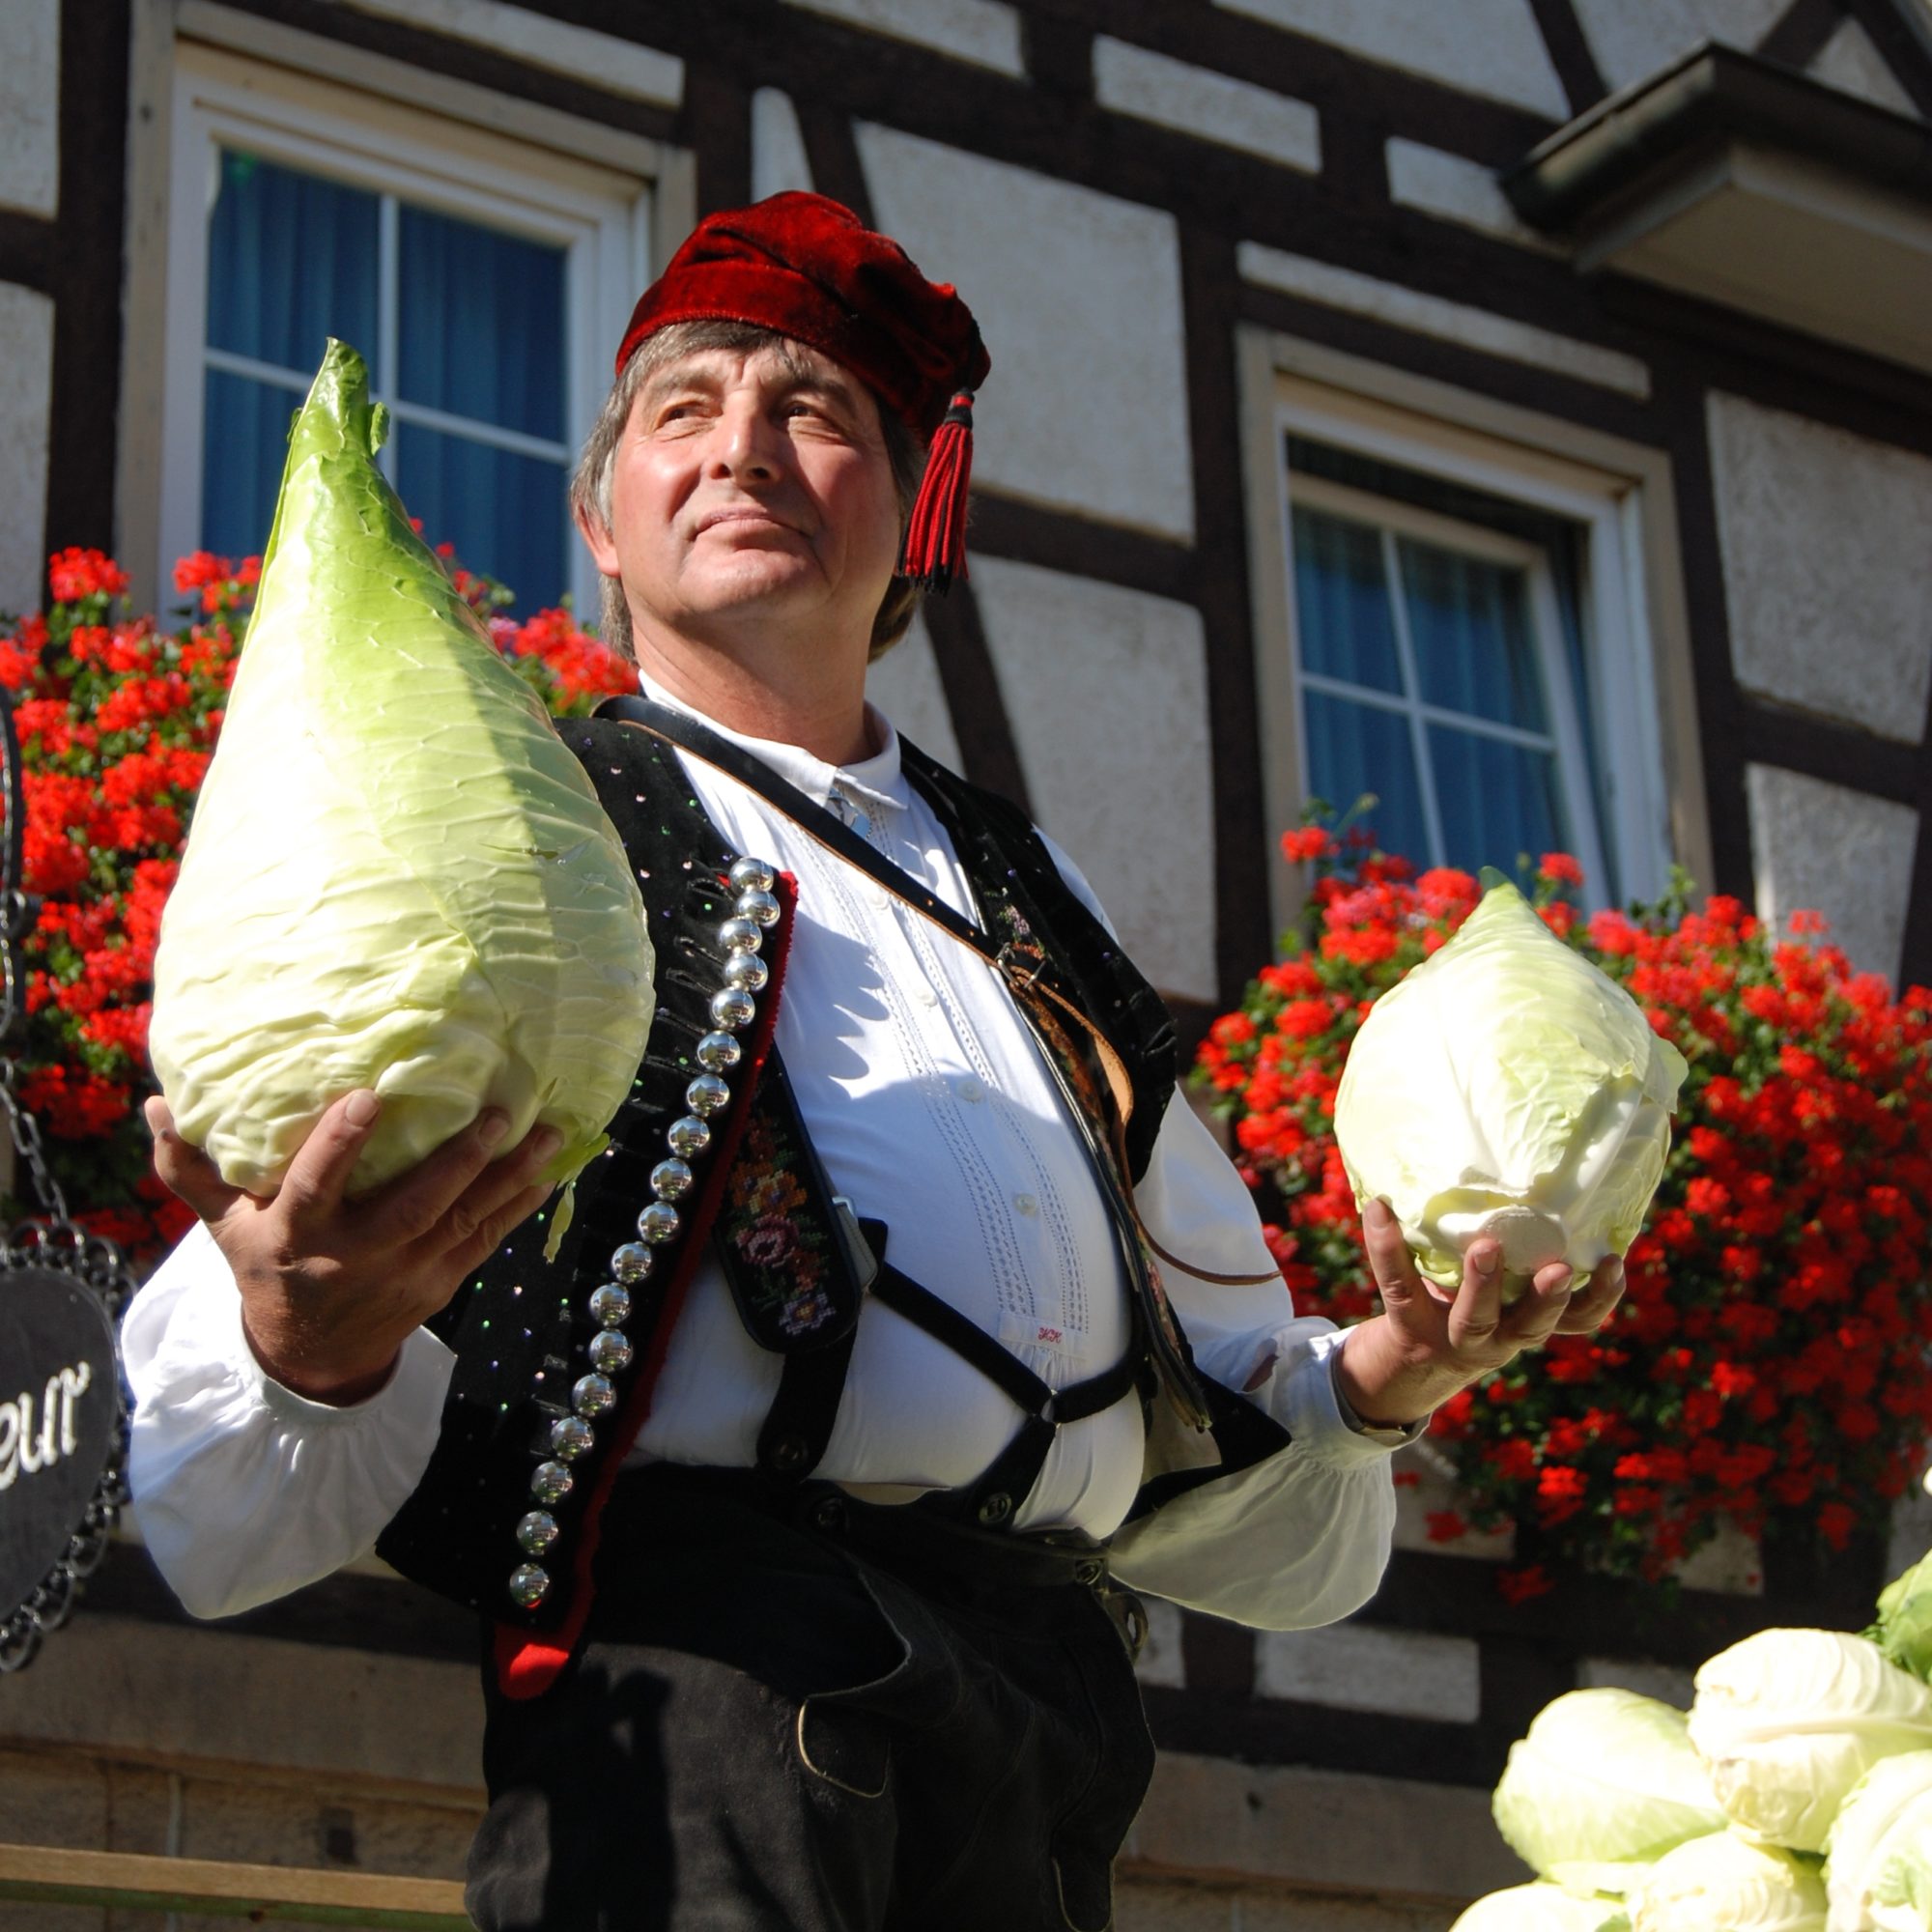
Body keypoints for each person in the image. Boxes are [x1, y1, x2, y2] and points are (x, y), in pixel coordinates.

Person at [124, 193, 1625, 1932]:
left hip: (1047, 1713)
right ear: (597, 520)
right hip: (707, 1695)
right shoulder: (503, 841)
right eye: (683, 412)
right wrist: (302, 1343)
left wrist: (1385, 1372)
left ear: (907, 518)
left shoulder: (1026, 891)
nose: (743, 451)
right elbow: (223, 1493)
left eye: (814, 413)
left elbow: (1212, 1426)